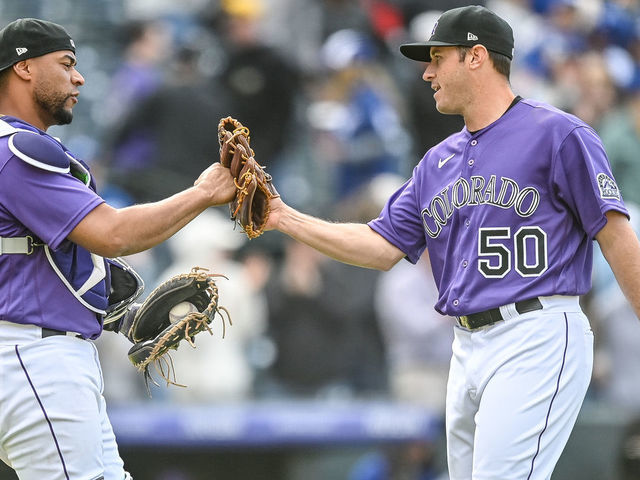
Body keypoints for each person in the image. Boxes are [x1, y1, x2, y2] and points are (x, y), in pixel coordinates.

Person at [263, 5, 640, 479]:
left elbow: (615, 235)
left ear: (476, 57)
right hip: (465, 346)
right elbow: (380, 247)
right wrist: (283, 216)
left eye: (437, 58)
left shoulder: (558, 134)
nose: (426, 72)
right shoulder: (437, 161)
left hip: (537, 332)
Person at [0, 18, 235, 479]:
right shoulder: (15, 150)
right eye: (65, 63)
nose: (79, 77)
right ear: (23, 67)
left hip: (41, 353)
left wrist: (118, 313)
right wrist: (204, 192)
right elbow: (114, 234)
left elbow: (30, 259)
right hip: (34, 358)